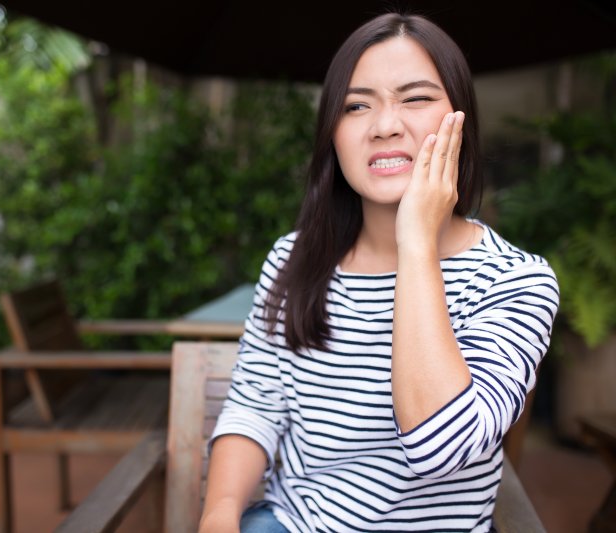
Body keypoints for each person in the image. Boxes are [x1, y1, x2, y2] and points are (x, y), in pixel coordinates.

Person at [199, 11, 560, 533]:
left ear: (462, 120)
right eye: (356, 105)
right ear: (333, 136)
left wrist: (415, 241)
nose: (385, 124)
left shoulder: (516, 282)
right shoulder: (294, 260)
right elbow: (254, 408)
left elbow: (442, 448)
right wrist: (219, 515)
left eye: (414, 98)